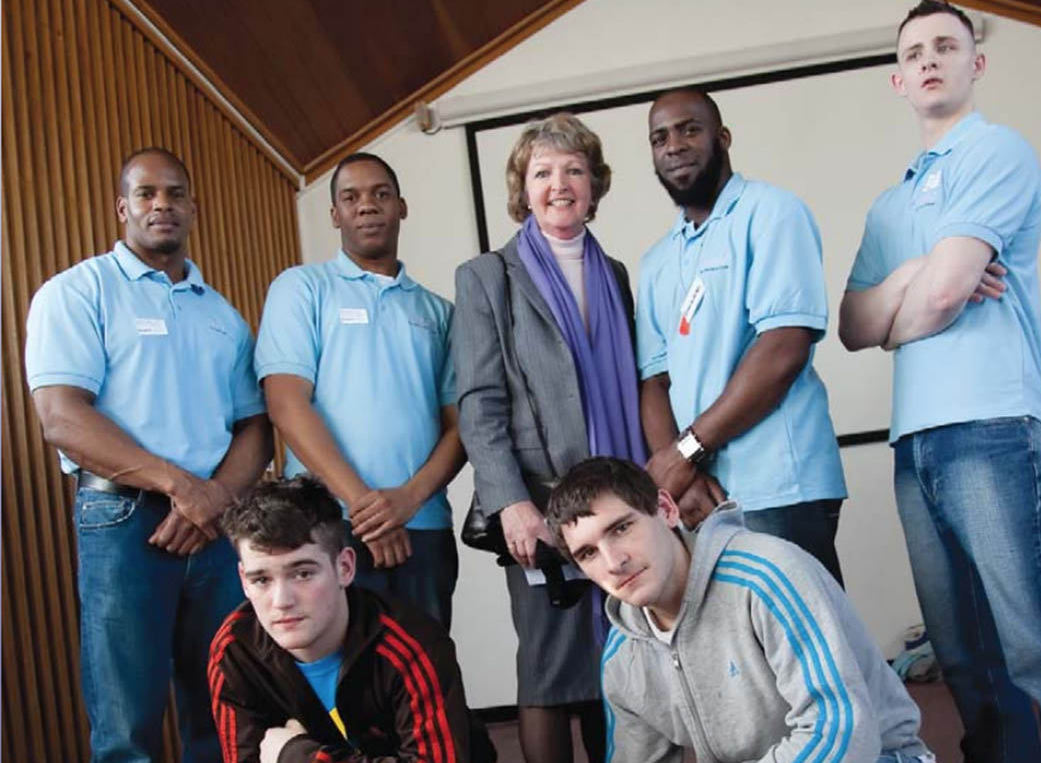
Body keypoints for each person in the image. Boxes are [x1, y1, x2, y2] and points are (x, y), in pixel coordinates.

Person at [838, 0, 1041, 761]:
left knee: (1038, 650)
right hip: (914, 446)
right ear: (897, 80)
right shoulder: (891, 204)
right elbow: (854, 326)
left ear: (974, 63)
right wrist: (920, 271)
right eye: (914, 51)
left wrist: (912, 294)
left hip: (993, 429)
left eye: (945, 46)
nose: (929, 59)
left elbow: (950, 294)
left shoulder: (998, 153)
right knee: (966, 665)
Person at [23, 147, 273, 762]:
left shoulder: (223, 316)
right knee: (126, 722)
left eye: (175, 193)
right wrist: (182, 490)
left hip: (217, 529)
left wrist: (209, 500)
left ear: (193, 207)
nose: (162, 204)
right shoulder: (77, 292)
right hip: (121, 524)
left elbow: (256, 428)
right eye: (146, 194)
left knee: (223, 707)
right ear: (122, 208)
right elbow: (62, 419)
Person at [453, 112, 646, 763]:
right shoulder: (488, 276)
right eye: (543, 172)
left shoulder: (615, 273)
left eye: (574, 170)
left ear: (594, 185)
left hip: (615, 504)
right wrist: (510, 501)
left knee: (617, 660)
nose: (559, 183)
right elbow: (479, 400)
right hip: (537, 504)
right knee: (548, 671)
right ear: (522, 188)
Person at [546, 456, 933, 763]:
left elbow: (842, 733)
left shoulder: (767, 575)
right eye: (588, 553)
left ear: (665, 509)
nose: (613, 562)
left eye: (621, 528)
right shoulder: (623, 654)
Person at [636, 88, 848, 584]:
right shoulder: (657, 261)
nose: (674, 145)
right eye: (659, 137)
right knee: (735, 654)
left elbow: (783, 348)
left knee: (807, 647)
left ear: (723, 138)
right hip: (701, 498)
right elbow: (654, 381)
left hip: (778, 487)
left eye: (690, 129)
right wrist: (679, 481)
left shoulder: (772, 213)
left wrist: (684, 454)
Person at [255, 153, 465, 629]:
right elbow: (286, 404)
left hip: (422, 525)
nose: (367, 206)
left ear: (402, 207)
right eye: (351, 197)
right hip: (326, 523)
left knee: (422, 673)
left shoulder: (439, 311)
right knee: (341, 676)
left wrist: (408, 500)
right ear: (334, 215)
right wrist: (368, 509)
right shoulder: (302, 288)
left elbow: (461, 426)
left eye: (380, 194)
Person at [209, 476, 493, 763]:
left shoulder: (413, 645)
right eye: (261, 580)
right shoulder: (235, 651)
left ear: (345, 567)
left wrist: (298, 756)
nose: (282, 601)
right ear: (243, 581)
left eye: (303, 574)